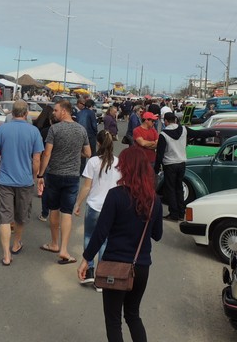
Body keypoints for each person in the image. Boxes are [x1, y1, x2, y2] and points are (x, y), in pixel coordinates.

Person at [78, 146, 163, 342]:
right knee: (133, 315)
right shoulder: (154, 200)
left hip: (115, 267)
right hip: (141, 267)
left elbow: (100, 233)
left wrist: (86, 260)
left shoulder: (116, 195)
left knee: (113, 320)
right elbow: (157, 235)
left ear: (125, 168)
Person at [0, 100, 44, 266]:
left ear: (12, 113)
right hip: (25, 180)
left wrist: (3, 151)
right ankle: (16, 243)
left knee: (5, 217)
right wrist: (35, 176)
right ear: (26, 113)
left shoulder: (3, 129)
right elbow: (37, 159)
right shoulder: (34, 131)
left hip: (5, 179)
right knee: (21, 215)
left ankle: (6, 255)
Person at [36, 99, 91, 264]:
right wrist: (75, 153)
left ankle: (54, 243)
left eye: (56, 110)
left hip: (54, 174)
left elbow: (47, 153)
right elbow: (88, 153)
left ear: (64, 111)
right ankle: (64, 249)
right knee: (66, 213)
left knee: (54, 209)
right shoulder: (81, 130)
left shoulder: (54, 129)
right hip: (72, 176)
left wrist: (40, 174)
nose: (54, 113)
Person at [74, 130, 120, 285]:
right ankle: (101, 275)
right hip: (111, 208)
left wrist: (78, 203)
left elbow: (87, 187)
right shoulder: (118, 162)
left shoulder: (93, 162)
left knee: (89, 236)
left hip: (94, 205)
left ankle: (89, 270)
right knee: (105, 240)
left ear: (98, 144)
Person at [155, 112, 209, 221]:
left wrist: (156, 168)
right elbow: (198, 134)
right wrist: (213, 132)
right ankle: (181, 212)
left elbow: (160, 153)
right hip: (181, 163)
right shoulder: (184, 129)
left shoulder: (163, 134)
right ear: (175, 120)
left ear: (166, 121)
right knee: (179, 188)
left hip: (170, 164)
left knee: (170, 189)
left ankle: (173, 214)